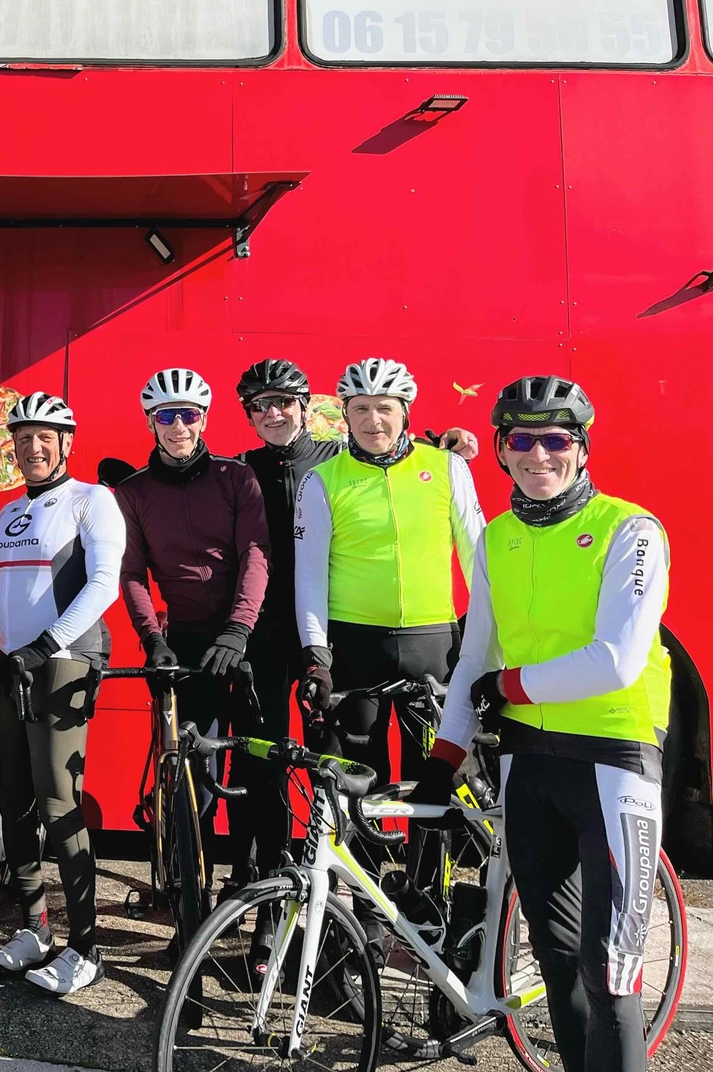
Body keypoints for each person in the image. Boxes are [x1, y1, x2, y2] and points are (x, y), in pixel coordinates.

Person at [413, 376, 670, 1072]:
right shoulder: (497, 536)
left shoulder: (631, 530)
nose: (538, 454)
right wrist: (443, 758)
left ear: (581, 449)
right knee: (556, 962)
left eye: (556, 439)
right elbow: (476, 655)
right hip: (527, 763)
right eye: (521, 439)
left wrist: (509, 687)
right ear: (500, 449)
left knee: (610, 972)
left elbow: (616, 660)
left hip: (613, 760)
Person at [0, 391, 126, 996]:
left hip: (64, 659)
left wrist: (48, 642)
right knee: (12, 798)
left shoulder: (92, 500)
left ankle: (85, 947)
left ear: (66, 444)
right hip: (13, 662)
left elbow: (104, 584)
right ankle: (35, 927)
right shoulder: (8, 513)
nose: (32, 448)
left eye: (44, 438)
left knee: (58, 802)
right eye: (22, 440)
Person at [114, 367, 274, 904]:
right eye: (167, 416)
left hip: (243, 640)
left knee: (253, 765)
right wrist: (152, 639)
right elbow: (132, 573)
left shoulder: (235, 478)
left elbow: (256, 554)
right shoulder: (134, 491)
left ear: (204, 419)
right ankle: (190, 894)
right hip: (182, 643)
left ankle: (249, 881)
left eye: (189, 414)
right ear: (151, 423)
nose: (178, 425)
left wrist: (239, 628)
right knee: (194, 773)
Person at [293, 358, 485, 790]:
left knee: (437, 781)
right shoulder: (321, 480)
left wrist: (491, 638)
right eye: (360, 408)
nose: (373, 420)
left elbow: (479, 559)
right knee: (361, 782)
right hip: (354, 646)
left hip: (434, 643)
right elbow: (309, 577)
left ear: (405, 413)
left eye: (385, 407)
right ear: (345, 414)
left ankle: (430, 840)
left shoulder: (448, 467)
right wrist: (316, 656)